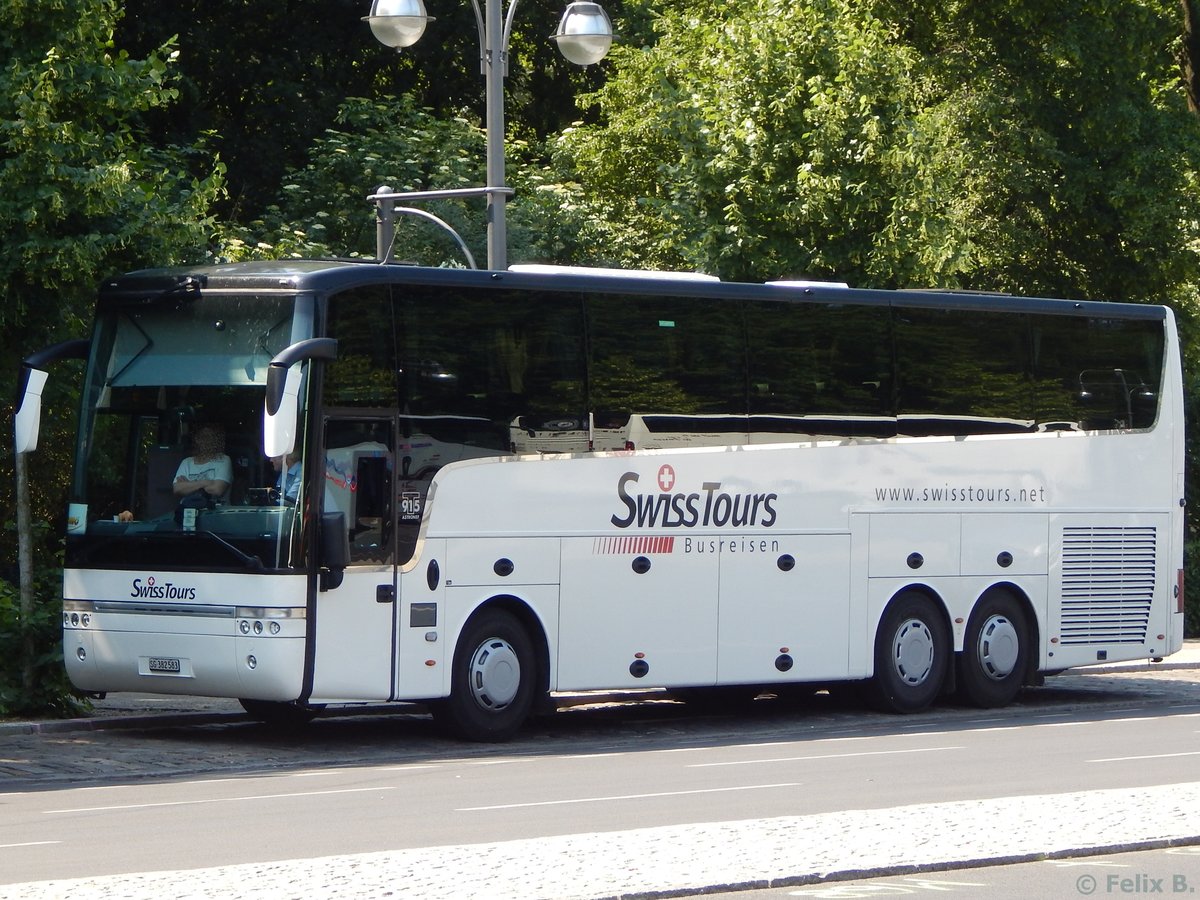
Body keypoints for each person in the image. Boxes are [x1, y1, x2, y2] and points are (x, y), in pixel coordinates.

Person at [173, 425, 232, 503]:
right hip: (189, 510)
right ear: (197, 440)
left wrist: (189, 485)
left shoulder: (223, 460)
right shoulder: (186, 462)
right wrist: (205, 482)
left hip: (215, 511)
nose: (206, 441)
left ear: (215, 440)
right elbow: (177, 489)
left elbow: (217, 490)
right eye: (203, 437)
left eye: (210, 437)